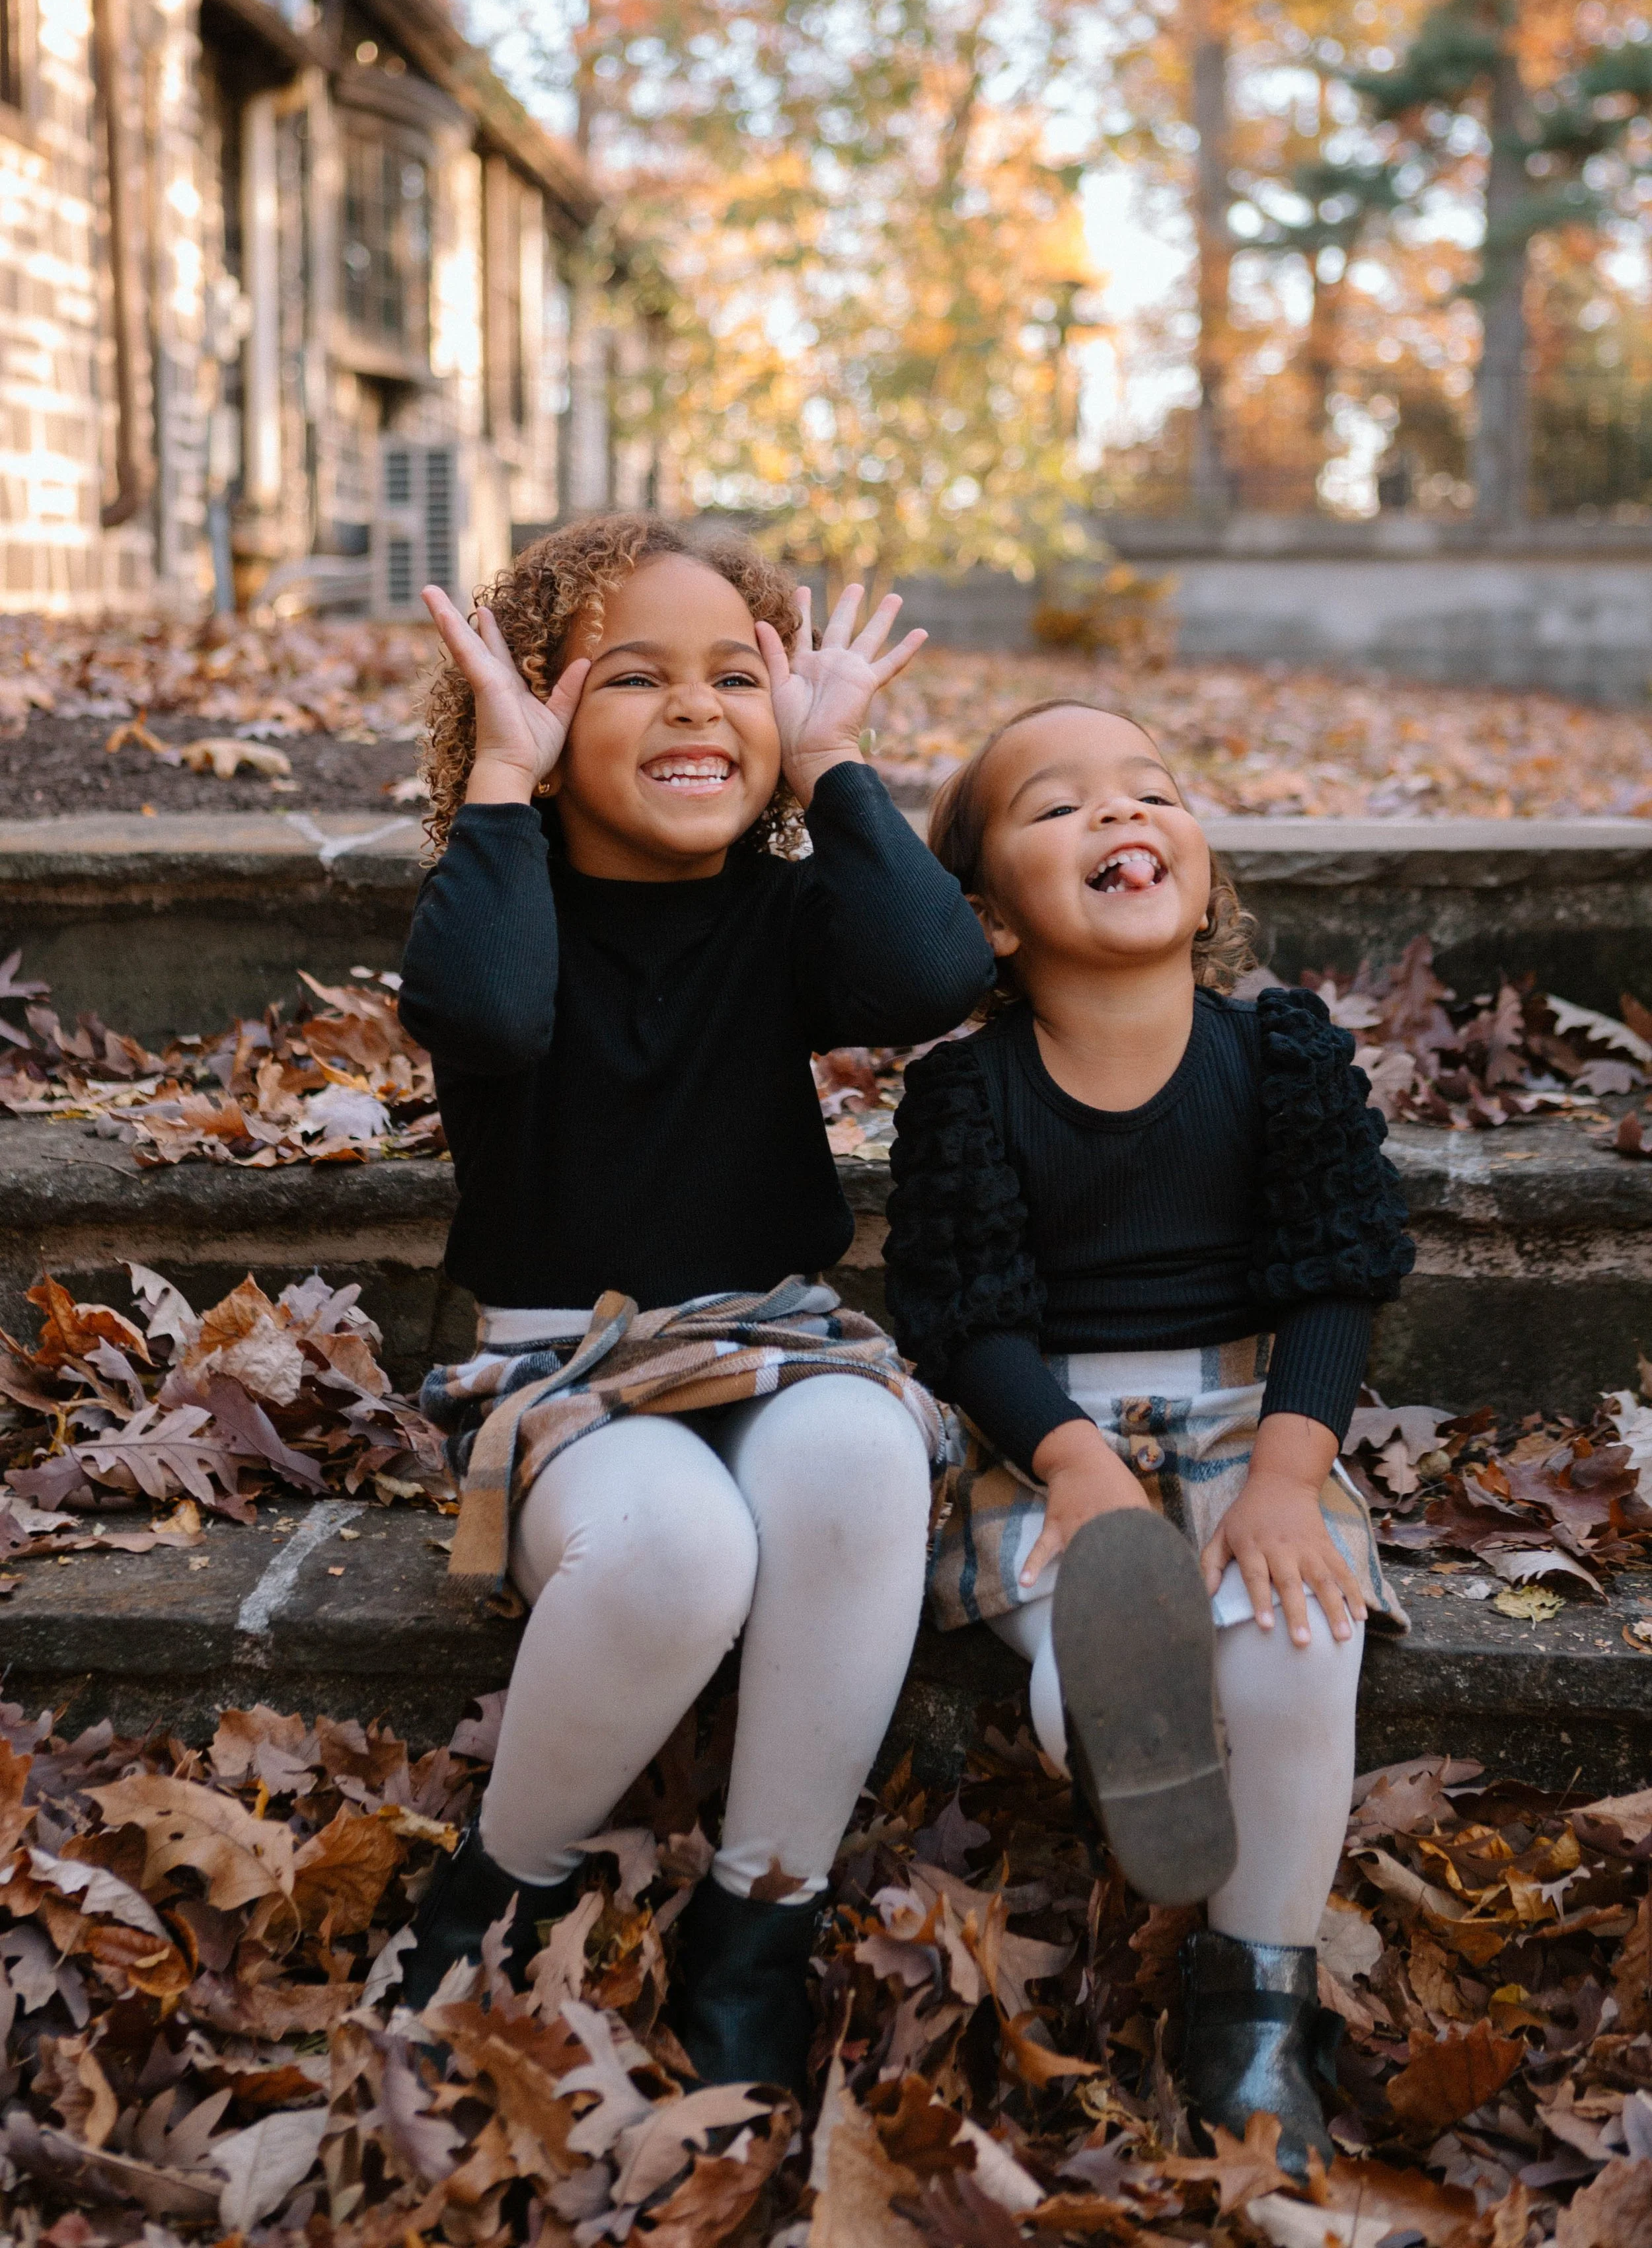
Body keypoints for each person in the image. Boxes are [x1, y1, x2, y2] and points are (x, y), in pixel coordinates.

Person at [394, 515, 993, 2091]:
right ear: (539, 718)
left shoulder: (781, 914)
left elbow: (934, 979)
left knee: (862, 1453)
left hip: (778, 1343)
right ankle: (498, 1885)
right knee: (679, 1548)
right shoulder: (501, 898)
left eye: (735, 676)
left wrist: (832, 763)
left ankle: (756, 1927)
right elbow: (481, 1014)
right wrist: (501, 782)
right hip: (569, 1372)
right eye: (628, 676)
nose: (691, 706)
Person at [882, 698, 1413, 2173]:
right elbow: (965, 1319)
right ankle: (1109, 1702)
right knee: (1098, 1633)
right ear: (990, 919)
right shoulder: (968, 1094)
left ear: (1197, 860)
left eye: (1148, 791)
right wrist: (1073, 1460)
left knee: (1299, 1638)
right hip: (1047, 1436)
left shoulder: (1278, 1055)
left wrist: (1290, 1477)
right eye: (1057, 808)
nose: (1116, 813)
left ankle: (1255, 2006)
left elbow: (1334, 1274)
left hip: (1251, 1418)